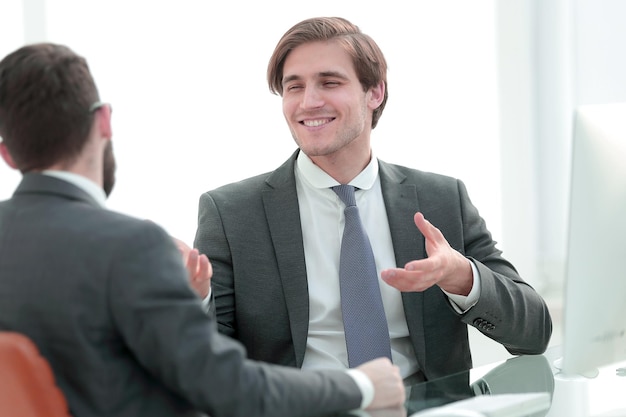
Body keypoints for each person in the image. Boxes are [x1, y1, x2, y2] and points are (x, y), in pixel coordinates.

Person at [0, 43, 405, 417]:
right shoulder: (131, 245)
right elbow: (228, 388)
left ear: (6, 152)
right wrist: (361, 385)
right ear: (104, 120)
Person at [193, 16, 553, 383]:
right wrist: (193, 302)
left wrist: (460, 276)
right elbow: (204, 366)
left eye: (329, 83)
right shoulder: (231, 214)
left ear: (375, 92)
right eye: (294, 87)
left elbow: (535, 333)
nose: (309, 102)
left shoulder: (441, 200)